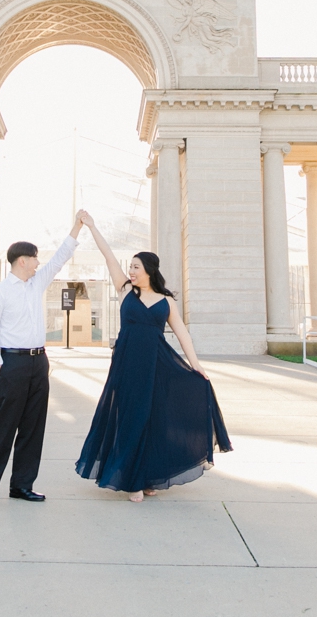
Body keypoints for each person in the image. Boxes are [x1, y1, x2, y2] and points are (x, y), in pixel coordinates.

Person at [75, 212, 232, 501]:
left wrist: (195, 365)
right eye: (130, 267)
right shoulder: (125, 291)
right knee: (131, 418)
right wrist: (93, 226)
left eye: (135, 267)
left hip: (157, 363)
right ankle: (132, 480)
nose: (131, 271)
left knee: (154, 420)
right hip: (127, 363)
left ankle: (146, 477)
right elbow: (108, 256)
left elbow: (182, 333)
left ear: (148, 269)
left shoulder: (166, 300)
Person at [0, 211, 86, 507]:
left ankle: (22, 485)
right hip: (12, 364)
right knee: (4, 426)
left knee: (33, 427)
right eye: (35, 258)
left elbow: (60, 257)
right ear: (22, 260)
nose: (39, 262)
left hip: (39, 363)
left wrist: (76, 227)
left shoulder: (36, 284)